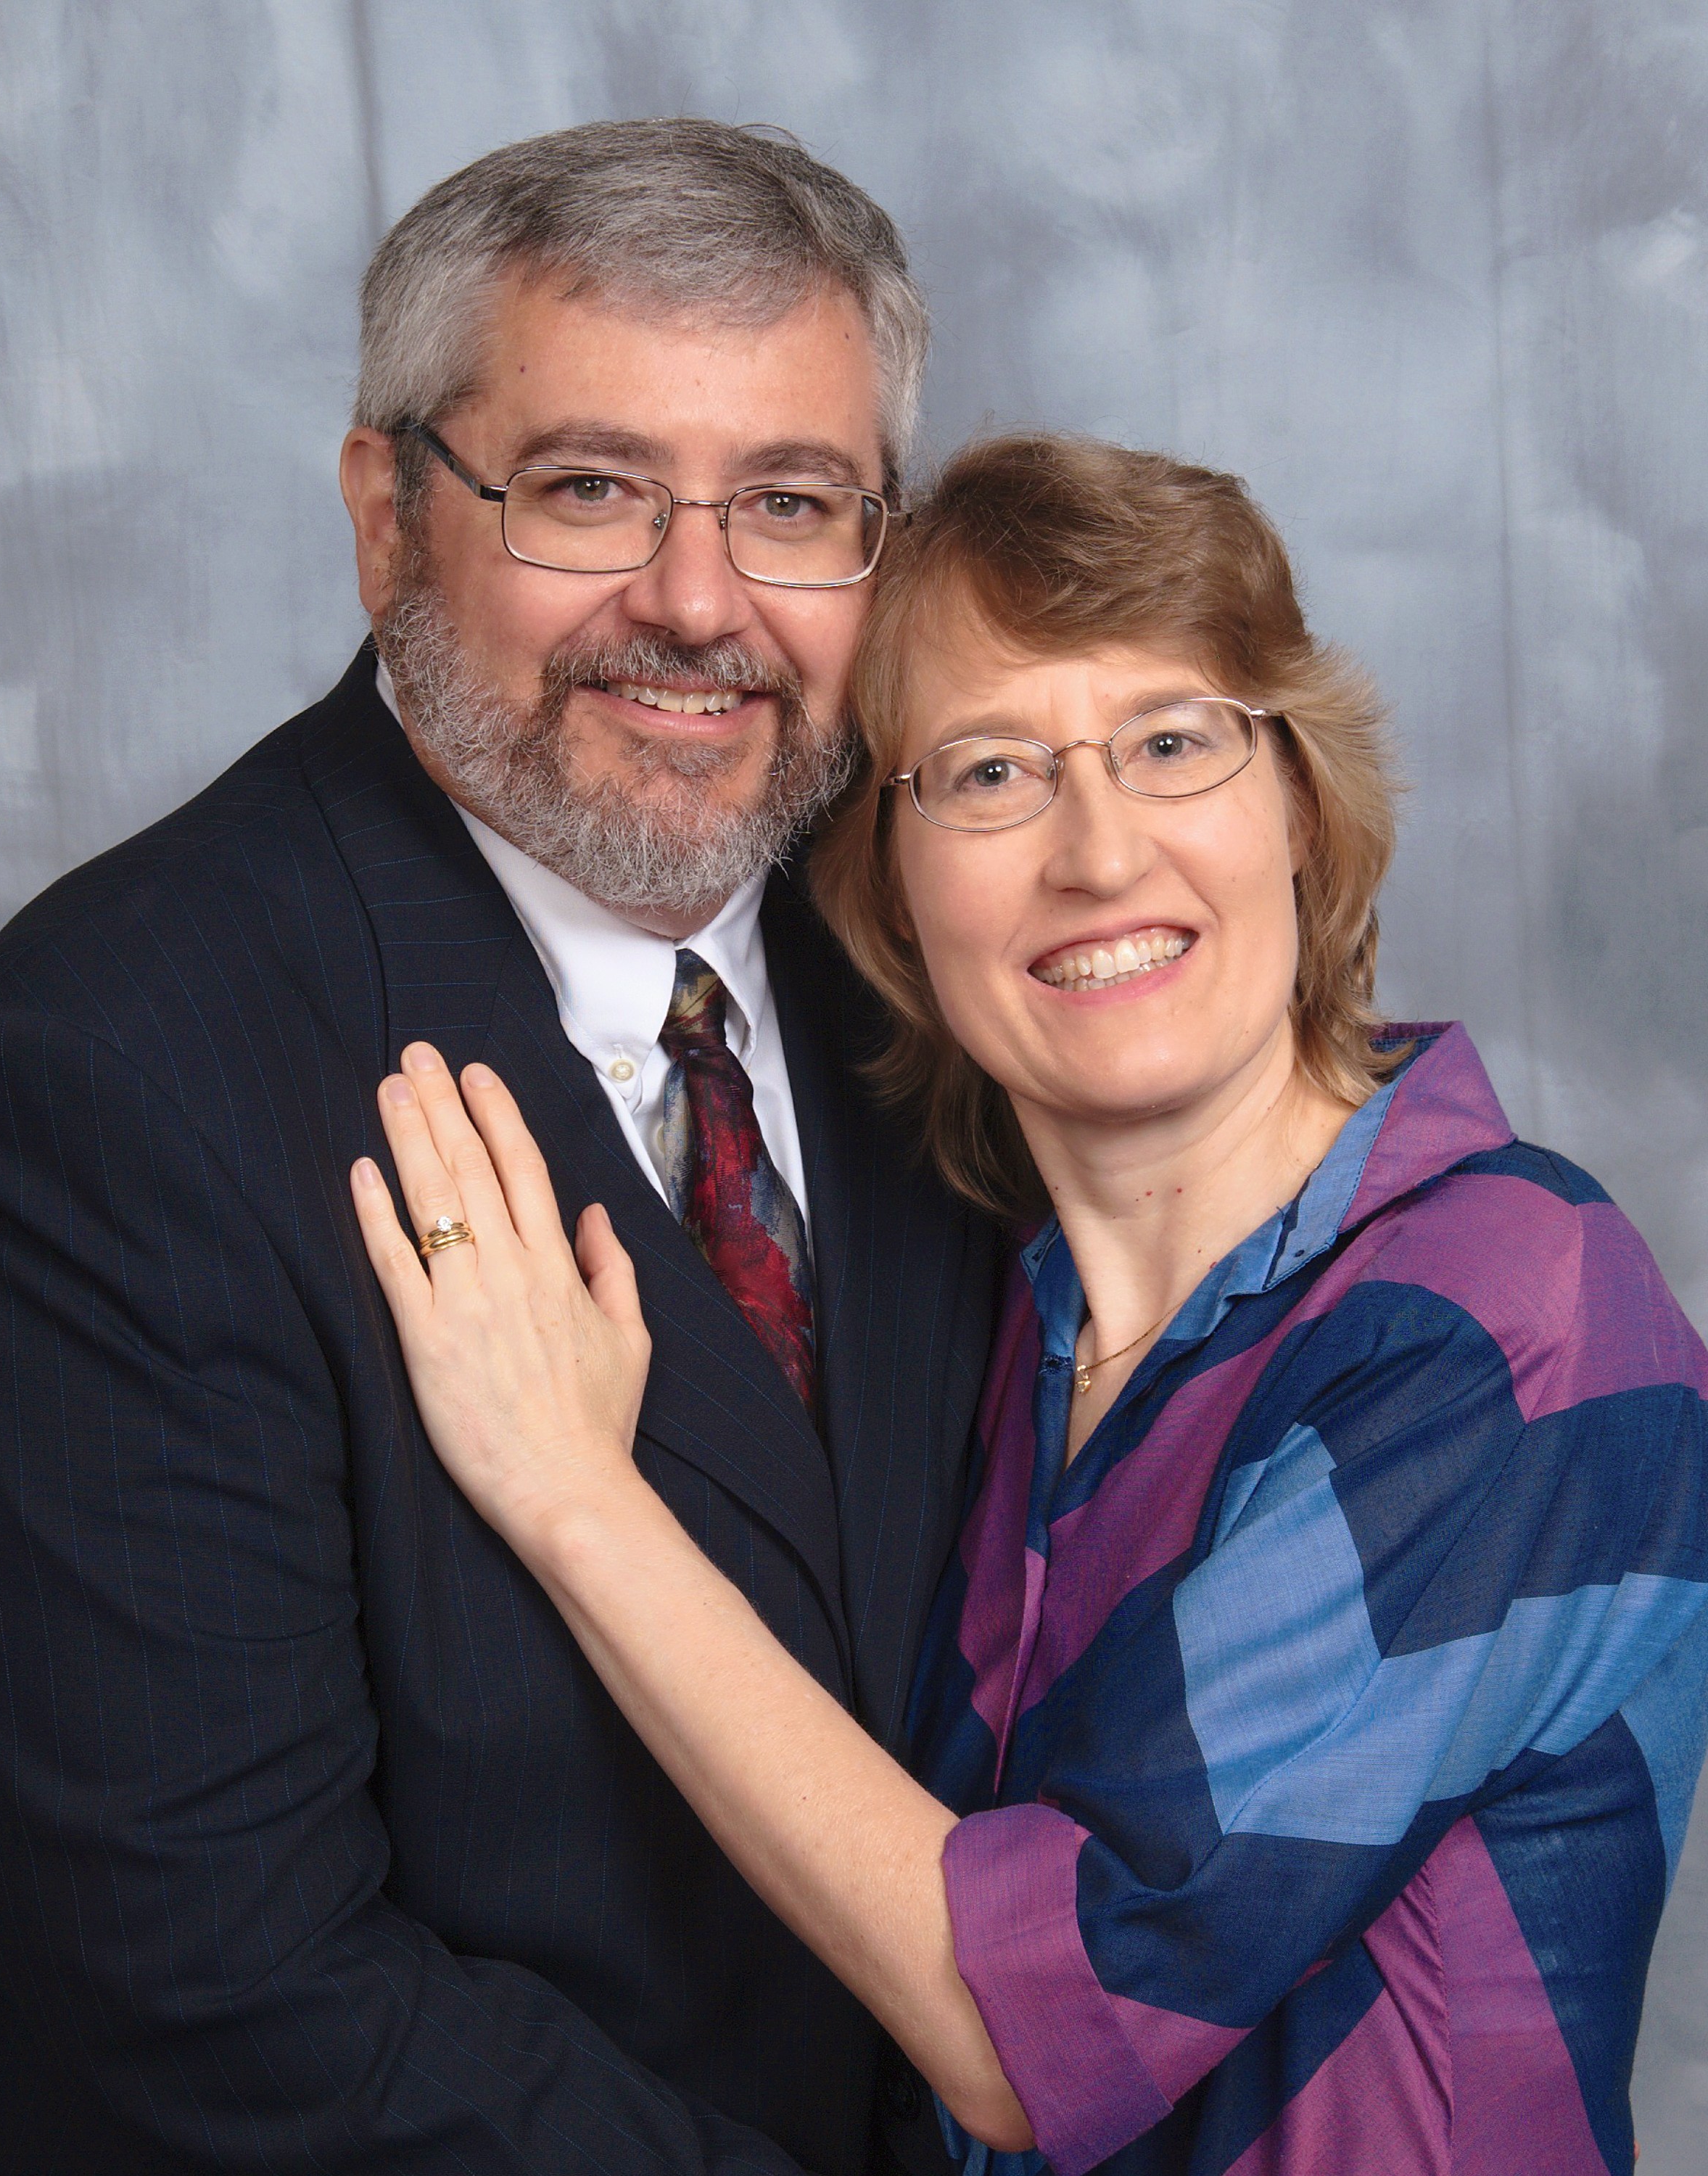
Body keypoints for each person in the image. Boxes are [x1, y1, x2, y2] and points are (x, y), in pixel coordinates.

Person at [352, 435, 1708, 2176]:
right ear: (891, 894)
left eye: (1173, 742)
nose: (1100, 854)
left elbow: (1041, 2022)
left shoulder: (1513, 1310)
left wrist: (571, 1496)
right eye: (992, 772)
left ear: (1298, 805)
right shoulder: (1005, 1326)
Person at [0, 123, 1001, 2175]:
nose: (697, 604)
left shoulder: (948, 955)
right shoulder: (112, 1072)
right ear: (387, 518)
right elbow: (220, 1990)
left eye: (792, 505)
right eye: (591, 489)